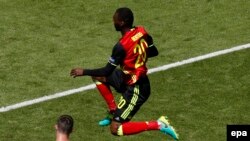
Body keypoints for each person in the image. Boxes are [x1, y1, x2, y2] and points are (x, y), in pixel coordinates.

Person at [70, 7, 178, 140]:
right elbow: (154, 51)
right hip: (126, 76)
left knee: (116, 129)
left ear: (121, 23)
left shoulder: (121, 46)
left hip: (136, 88)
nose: (113, 21)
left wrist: (83, 71)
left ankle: (159, 124)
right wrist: (138, 55)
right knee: (98, 76)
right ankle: (113, 111)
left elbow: (107, 70)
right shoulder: (142, 31)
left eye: (115, 19)